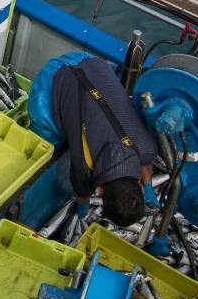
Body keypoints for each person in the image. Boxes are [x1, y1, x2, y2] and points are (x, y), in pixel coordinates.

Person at [28, 54, 156, 227]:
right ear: (100, 190)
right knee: (47, 146)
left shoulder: (147, 147)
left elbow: (147, 163)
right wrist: (82, 209)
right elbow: (81, 194)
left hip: (90, 63)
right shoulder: (83, 169)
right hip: (54, 79)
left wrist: (149, 185)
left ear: (140, 187)